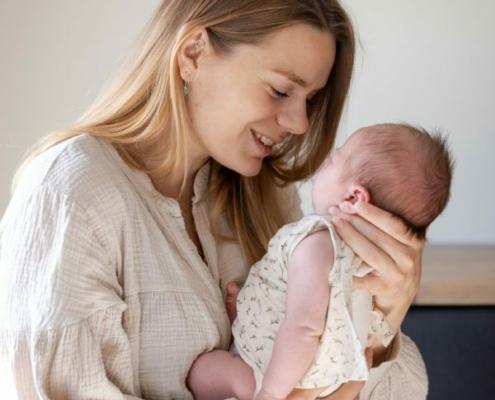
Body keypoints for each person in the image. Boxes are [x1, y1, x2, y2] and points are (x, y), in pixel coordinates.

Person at [0, 1, 428, 399]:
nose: (299, 124)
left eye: (310, 100)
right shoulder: (73, 192)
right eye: (281, 91)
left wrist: (383, 322)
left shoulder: (268, 201)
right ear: (192, 55)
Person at [186, 123, 453, 400]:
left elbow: (304, 327)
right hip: (334, 378)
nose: (324, 161)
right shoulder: (363, 264)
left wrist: (269, 392)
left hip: (283, 374)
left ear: (354, 197)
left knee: (203, 371)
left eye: (334, 159)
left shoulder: (316, 241)